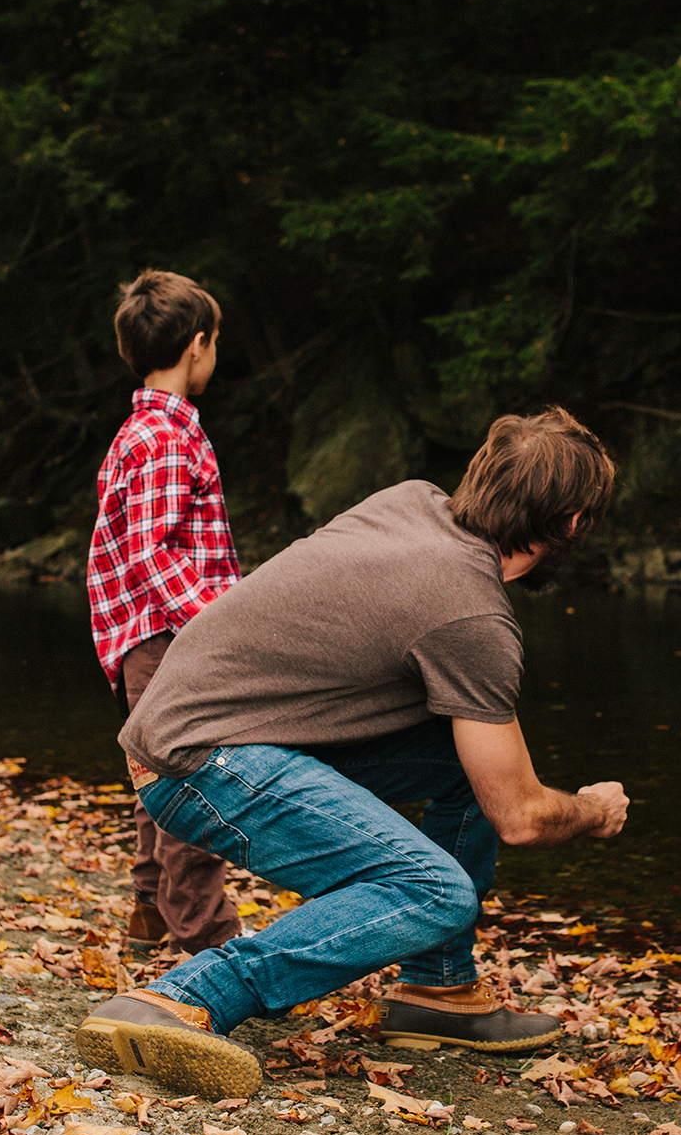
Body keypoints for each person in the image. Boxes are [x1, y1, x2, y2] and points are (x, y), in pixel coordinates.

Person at [74, 408, 631, 1100]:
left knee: (471, 760)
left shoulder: (410, 502)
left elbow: (493, 781)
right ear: (573, 522)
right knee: (435, 890)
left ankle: (439, 986)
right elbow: (519, 816)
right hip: (197, 761)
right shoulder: (473, 616)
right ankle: (182, 996)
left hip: (197, 731)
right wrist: (592, 809)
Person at [86, 270, 244, 957]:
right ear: (196, 345)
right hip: (167, 639)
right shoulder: (164, 439)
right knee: (191, 780)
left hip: (149, 638)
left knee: (157, 771)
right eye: (215, 342)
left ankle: (151, 907)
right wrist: (221, 620)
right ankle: (206, 933)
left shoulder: (138, 432)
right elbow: (153, 552)